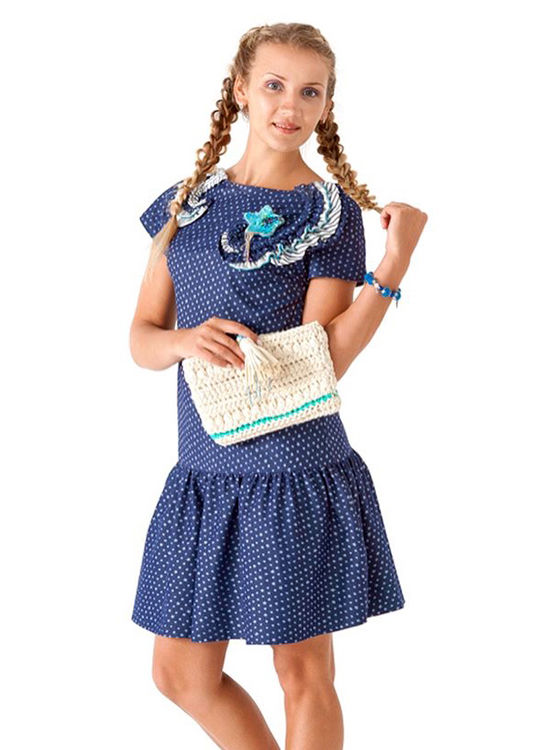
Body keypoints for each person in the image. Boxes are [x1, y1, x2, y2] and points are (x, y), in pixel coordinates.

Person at [130, 21, 427, 750]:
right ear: (240, 91)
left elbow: (326, 357)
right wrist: (182, 341)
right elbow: (141, 336)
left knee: (301, 670)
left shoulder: (328, 215)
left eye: (310, 92)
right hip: (204, 471)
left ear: (327, 104)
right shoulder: (184, 203)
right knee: (179, 674)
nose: (290, 105)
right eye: (273, 85)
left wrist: (393, 264)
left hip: (290, 469)